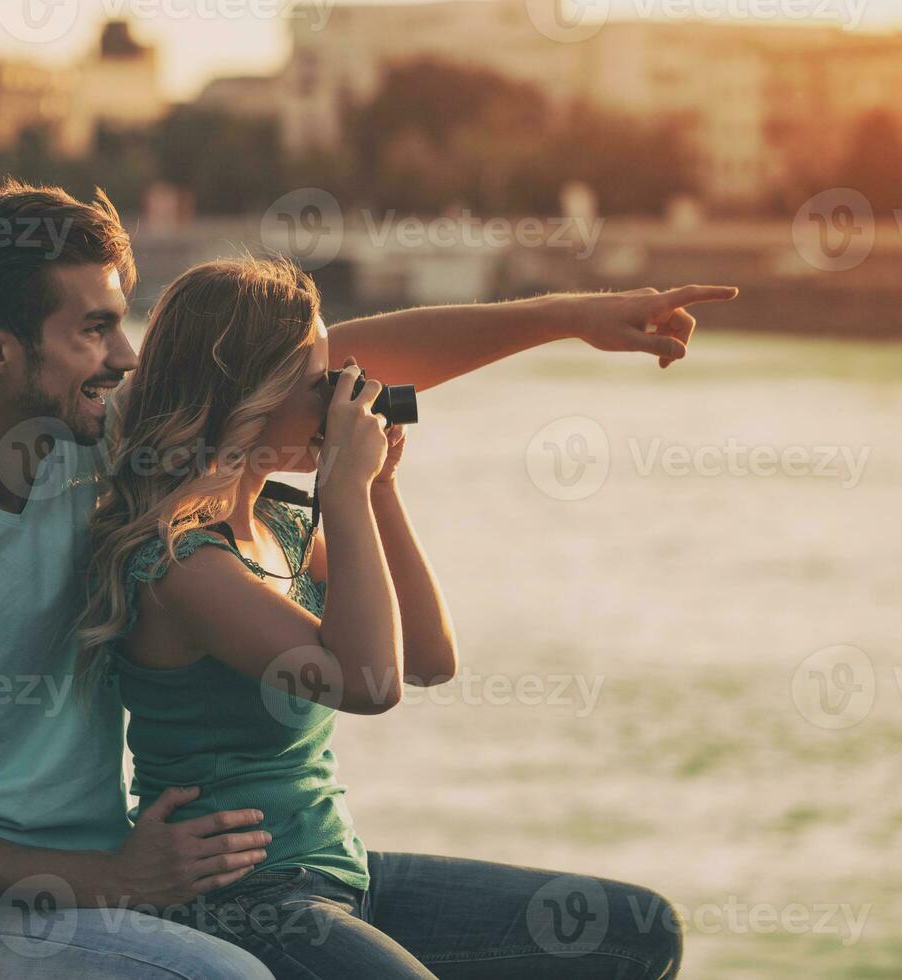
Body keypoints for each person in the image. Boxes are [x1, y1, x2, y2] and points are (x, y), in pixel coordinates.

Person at [0, 170, 735, 978]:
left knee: (625, 938)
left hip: (158, 867)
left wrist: (572, 319)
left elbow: (318, 367)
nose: (126, 356)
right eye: (96, 329)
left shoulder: (83, 439)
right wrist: (116, 880)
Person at [76, 257, 682, 978]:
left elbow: (428, 659)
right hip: (244, 899)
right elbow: (370, 683)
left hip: (343, 873)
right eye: (320, 384)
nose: (344, 401)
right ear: (250, 397)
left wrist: (382, 492)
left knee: (637, 933)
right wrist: (346, 491)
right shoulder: (181, 565)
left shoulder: (282, 528)